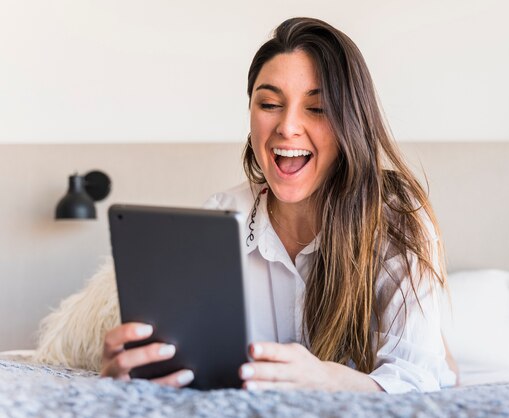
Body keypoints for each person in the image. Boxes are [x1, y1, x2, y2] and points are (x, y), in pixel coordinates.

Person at [100, 17, 457, 393]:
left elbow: (418, 380)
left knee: (442, 365)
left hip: (414, 369)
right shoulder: (221, 216)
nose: (287, 126)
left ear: (352, 123)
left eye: (316, 109)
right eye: (269, 103)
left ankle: (448, 349)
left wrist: (327, 378)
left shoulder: (396, 217)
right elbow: (191, 370)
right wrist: (132, 373)